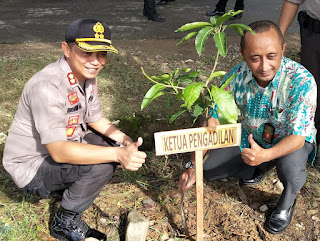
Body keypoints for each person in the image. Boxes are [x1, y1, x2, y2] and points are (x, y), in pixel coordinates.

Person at [2, 18, 147, 241]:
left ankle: (67, 188)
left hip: (59, 151)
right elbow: (59, 151)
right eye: (87, 53)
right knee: (105, 162)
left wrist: (125, 142)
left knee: (110, 145)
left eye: (102, 54)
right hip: (32, 168)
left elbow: (95, 118)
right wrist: (118, 154)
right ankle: (65, 221)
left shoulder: (86, 77)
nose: (96, 62)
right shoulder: (48, 86)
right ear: (66, 49)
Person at [178, 20, 316, 234]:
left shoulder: (301, 81)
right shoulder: (236, 76)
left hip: (289, 143)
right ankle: (256, 168)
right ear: (243, 55)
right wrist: (192, 165)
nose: (264, 66)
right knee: (207, 169)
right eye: (254, 58)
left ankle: (286, 202)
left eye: (271, 56)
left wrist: (267, 154)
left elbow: (298, 137)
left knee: (291, 169)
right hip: (250, 136)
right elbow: (213, 120)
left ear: (283, 50)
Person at [279, 0, 320, 151]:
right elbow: (292, 1)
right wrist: (279, 35)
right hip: (314, 36)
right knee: (310, 91)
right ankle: (307, 144)